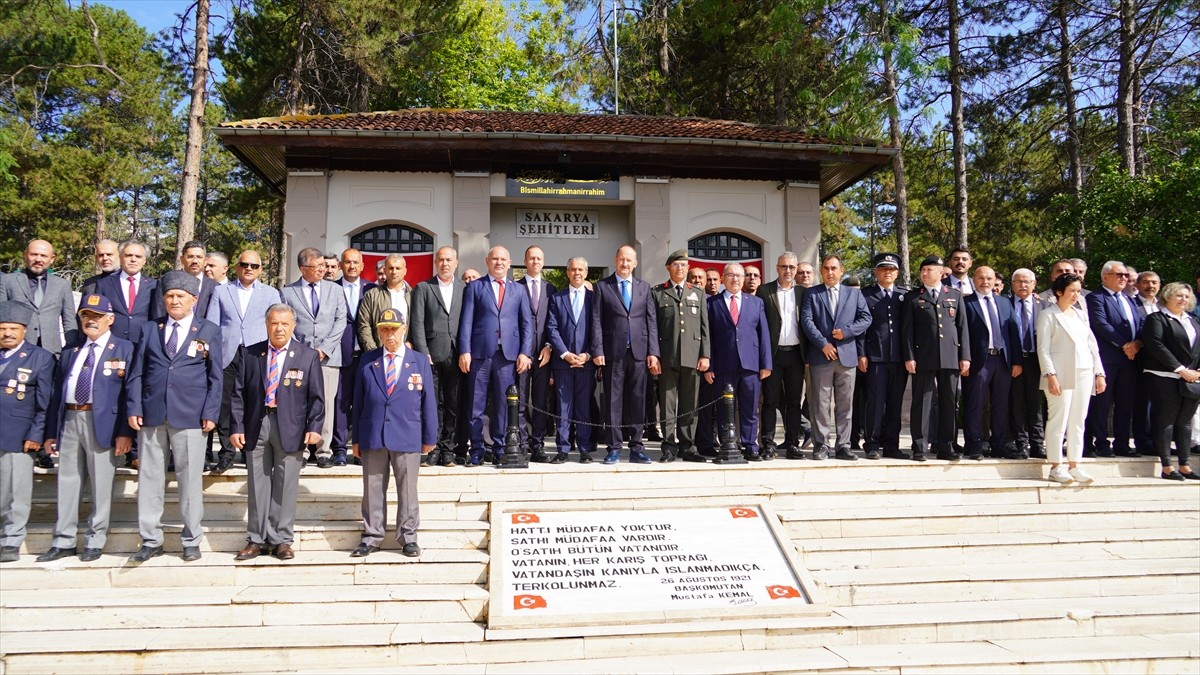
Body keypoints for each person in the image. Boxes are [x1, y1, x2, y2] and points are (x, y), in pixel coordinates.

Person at [125, 271, 222, 562]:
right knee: (150, 478)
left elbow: (215, 377)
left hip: (191, 415)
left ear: (194, 299)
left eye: (180, 296)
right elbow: (137, 373)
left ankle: (191, 538)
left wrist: (211, 412)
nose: (174, 300)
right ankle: (150, 539)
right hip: (152, 414)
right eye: (169, 296)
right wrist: (134, 407)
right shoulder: (149, 329)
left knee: (190, 480)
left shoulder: (209, 330)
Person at [36, 295, 134, 563]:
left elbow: (129, 393)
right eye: (86, 316)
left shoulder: (124, 349)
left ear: (110, 319)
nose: (91, 321)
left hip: (102, 423)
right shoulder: (71, 350)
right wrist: (50, 433)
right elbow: (57, 393)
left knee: (101, 484)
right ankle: (64, 540)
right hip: (69, 419)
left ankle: (95, 539)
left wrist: (126, 432)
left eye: (97, 316)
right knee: (67, 481)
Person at [230, 304, 325, 560]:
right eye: (274, 323)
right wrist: (236, 427)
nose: (279, 328)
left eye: (285, 324)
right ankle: (257, 539)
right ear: (266, 325)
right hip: (256, 425)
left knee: (286, 484)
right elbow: (238, 394)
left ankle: (282, 539)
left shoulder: (307, 356)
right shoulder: (251, 354)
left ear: (293, 326)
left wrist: (314, 428)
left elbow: (317, 398)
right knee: (257, 483)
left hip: (291, 427)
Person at [351, 309, 436, 557]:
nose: (390, 334)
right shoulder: (368, 360)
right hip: (373, 433)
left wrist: (430, 436)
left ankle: (408, 536)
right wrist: (356, 438)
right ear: (378, 332)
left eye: (394, 329)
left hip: (408, 433)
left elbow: (428, 401)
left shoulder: (419, 361)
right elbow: (359, 400)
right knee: (372, 488)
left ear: (404, 329)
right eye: (384, 329)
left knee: (408, 489)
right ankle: (371, 536)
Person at [206, 250, 281, 474]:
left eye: (254, 266)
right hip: (228, 353)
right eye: (245, 264)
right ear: (236, 267)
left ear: (260, 270)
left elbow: (279, 321)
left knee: (255, 402)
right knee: (226, 404)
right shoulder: (221, 291)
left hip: (257, 354)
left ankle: (251, 451)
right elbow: (212, 323)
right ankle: (227, 453)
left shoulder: (270, 293)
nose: (249, 268)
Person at [458, 246, 533, 466]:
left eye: (503, 259)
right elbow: (466, 321)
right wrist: (465, 350)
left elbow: (527, 324)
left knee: (503, 404)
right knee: (476, 405)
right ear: (487, 261)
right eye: (495, 259)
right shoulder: (475, 287)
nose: (499, 262)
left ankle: (500, 449)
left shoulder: (518, 290)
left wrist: (525, 353)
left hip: (508, 356)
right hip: (480, 355)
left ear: (510, 263)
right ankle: (478, 450)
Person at [591, 245, 661, 464]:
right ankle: (614, 448)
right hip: (613, 353)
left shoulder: (644, 287)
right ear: (615, 260)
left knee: (639, 401)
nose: (625, 264)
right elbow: (596, 321)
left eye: (629, 260)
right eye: (622, 259)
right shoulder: (603, 286)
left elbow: (651, 321)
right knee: (613, 402)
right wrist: (598, 350)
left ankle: (637, 447)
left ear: (635, 263)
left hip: (639, 353)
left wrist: (653, 352)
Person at [801, 255, 871, 460]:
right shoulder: (812, 293)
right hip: (821, 356)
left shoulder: (854, 294)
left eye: (834, 268)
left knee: (845, 404)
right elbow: (806, 320)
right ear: (821, 271)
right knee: (820, 404)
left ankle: (843, 446)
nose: (830, 272)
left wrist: (847, 332)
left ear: (842, 270)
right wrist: (823, 344)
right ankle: (821, 444)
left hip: (847, 356)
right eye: (826, 268)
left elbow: (866, 318)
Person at [282, 247, 346, 468]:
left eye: (323, 265)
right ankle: (301, 449)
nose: (323, 270)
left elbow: (340, 321)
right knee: (298, 404)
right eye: (317, 266)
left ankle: (323, 450)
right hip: (298, 358)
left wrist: (325, 349)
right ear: (302, 268)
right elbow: (287, 324)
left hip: (328, 358)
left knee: (326, 403)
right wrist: (303, 352)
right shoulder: (288, 292)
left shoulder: (335, 290)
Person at [0, 302, 55, 563]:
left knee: (15, 491)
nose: (7, 333)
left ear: (24, 330)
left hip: (18, 435)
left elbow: (45, 404)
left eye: (13, 328)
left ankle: (11, 539)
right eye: (2, 328)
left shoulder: (40, 358)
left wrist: (37, 434)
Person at [902, 255, 971, 461]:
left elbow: (962, 327)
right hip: (923, 356)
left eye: (929, 270)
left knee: (949, 401)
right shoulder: (913, 297)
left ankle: (946, 445)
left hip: (950, 356)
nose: (924, 273)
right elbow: (907, 331)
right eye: (922, 270)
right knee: (922, 402)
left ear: (942, 272)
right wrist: (909, 357)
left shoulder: (955, 296)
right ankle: (920, 447)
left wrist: (964, 355)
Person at [1037, 273, 1104, 484]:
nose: (1076, 295)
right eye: (1071, 291)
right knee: (1058, 418)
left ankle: (1075, 464)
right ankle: (1056, 465)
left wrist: (1099, 372)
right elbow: (1043, 349)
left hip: (1084, 370)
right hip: (1059, 372)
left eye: (1078, 290)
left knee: (1078, 420)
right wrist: (1050, 375)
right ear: (1059, 292)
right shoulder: (1048, 315)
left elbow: (1092, 345)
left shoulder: (1080, 314)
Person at [706, 263, 771, 460]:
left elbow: (764, 334)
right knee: (725, 408)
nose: (735, 279)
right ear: (723, 278)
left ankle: (750, 445)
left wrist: (766, 363)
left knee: (750, 408)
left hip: (750, 364)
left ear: (744, 279)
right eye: (731, 275)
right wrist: (709, 365)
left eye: (739, 275)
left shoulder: (756, 302)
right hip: (723, 364)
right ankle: (728, 443)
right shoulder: (711, 303)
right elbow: (707, 336)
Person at [651, 250, 710, 463]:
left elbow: (705, 328)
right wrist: (654, 355)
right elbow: (653, 328)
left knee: (690, 404)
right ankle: (668, 447)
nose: (680, 269)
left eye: (684, 265)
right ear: (668, 268)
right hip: (667, 357)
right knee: (667, 404)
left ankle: (688, 446)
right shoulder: (657, 292)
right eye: (676, 265)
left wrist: (706, 355)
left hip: (692, 357)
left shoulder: (698, 293)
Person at [409, 246, 465, 467]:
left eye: (449, 260)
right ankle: (432, 449)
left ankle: (448, 449)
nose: (445, 263)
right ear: (435, 263)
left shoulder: (465, 288)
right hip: (431, 355)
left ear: (456, 263)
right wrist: (423, 352)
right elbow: (417, 323)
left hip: (457, 354)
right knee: (432, 403)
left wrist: (466, 350)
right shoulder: (423, 288)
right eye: (440, 260)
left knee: (453, 403)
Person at [1138, 282, 1200, 480]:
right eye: (1179, 295)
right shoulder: (1156, 318)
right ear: (1167, 296)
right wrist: (1181, 369)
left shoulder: (1193, 320)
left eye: (1186, 296)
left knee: (1185, 422)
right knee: (1166, 420)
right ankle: (1166, 466)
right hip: (1164, 376)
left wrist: (1197, 371)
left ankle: (1184, 465)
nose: (1184, 299)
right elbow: (1156, 345)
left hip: (1192, 378)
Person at [961, 266, 1020, 460]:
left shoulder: (1004, 303)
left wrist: (1017, 361)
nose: (985, 282)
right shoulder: (966, 302)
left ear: (995, 280)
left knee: (1001, 405)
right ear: (973, 280)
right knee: (975, 404)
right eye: (980, 278)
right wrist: (965, 358)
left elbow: (1013, 333)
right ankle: (975, 444)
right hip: (979, 360)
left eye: (989, 278)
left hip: (1002, 360)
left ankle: (999, 444)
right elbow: (963, 334)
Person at [1085, 260, 1143, 457]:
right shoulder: (1096, 297)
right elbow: (1100, 324)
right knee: (1102, 403)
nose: (1124, 279)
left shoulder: (1129, 299)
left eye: (1126, 275)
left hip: (1130, 359)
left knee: (1125, 403)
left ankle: (1122, 444)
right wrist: (1125, 345)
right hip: (1107, 359)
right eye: (1119, 275)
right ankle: (1101, 442)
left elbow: (1141, 324)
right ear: (1105, 277)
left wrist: (1137, 344)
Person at [859, 253, 910, 460]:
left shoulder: (904, 295)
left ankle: (892, 444)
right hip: (875, 357)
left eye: (891, 269)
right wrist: (861, 353)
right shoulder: (865, 295)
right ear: (876, 272)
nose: (887, 272)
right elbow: (861, 327)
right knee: (875, 402)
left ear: (897, 272)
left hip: (898, 358)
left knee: (895, 403)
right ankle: (871, 443)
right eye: (883, 269)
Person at [547, 257, 598, 463]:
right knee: (563, 407)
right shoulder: (557, 298)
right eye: (573, 269)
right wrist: (566, 354)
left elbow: (598, 330)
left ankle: (585, 449)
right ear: (567, 272)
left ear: (586, 273)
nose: (577, 273)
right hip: (563, 363)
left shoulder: (594, 299)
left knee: (583, 407)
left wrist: (588, 354)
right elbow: (552, 328)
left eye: (580, 270)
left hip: (586, 363)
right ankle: (563, 449)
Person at [757, 253, 806, 460]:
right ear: (777, 268)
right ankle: (768, 444)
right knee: (770, 401)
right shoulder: (764, 291)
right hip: (773, 356)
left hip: (796, 354)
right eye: (784, 267)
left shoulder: (804, 293)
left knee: (794, 402)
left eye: (792, 267)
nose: (788, 271)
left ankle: (793, 443)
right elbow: (758, 325)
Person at [332, 248, 375, 466]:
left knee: (365, 402)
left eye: (355, 262)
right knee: (340, 402)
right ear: (341, 265)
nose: (351, 266)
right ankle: (339, 448)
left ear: (362, 265)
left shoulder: (372, 289)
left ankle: (361, 448)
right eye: (347, 262)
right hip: (340, 354)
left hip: (367, 356)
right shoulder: (331, 288)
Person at [0, 239, 78, 357]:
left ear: (52, 259)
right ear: (25, 256)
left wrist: (71, 350)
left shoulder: (62, 285)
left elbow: (69, 321)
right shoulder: (8, 281)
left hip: (51, 352)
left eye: (43, 256)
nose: (38, 259)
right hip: (15, 351)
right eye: (34, 254)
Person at [517, 246, 556, 462]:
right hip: (522, 355)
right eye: (531, 257)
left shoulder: (552, 289)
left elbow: (554, 322)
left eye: (539, 258)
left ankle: (537, 445)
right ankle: (522, 444)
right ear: (525, 261)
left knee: (541, 402)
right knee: (521, 402)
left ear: (543, 262)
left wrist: (550, 346)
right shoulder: (515, 287)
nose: (535, 261)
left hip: (544, 354)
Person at [1008, 268, 1048, 459]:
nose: (1023, 285)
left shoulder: (1045, 306)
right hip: (1014, 360)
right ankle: (1021, 443)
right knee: (1017, 404)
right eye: (1018, 282)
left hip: (1036, 360)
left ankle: (1038, 444)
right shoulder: (1005, 304)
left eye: (1027, 282)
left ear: (1034, 284)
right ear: (1012, 284)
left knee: (1036, 404)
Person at [97, 240, 158, 344]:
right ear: (120, 258)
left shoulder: (154, 285)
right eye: (128, 255)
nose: (133, 260)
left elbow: (157, 317)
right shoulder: (104, 284)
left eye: (138, 256)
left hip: (143, 343)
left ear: (144, 261)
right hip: (112, 343)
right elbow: (98, 315)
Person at [357, 254, 413, 352]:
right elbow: (364, 325)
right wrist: (373, 351)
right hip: (378, 353)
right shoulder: (371, 295)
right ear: (385, 270)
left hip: (406, 354)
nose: (394, 272)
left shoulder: (414, 295)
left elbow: (419, 325)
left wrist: (412, 344)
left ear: (405, 271)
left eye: (398, 268)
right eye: (390, 268)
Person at [153, 240, 215, 320]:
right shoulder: (165, 282)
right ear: (182, 259)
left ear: (205, 261)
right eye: (190, 257)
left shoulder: (215, 287)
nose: (195, 261)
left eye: (199, 257)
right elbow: (159, 314)